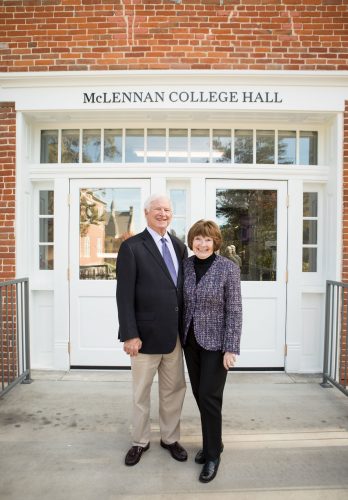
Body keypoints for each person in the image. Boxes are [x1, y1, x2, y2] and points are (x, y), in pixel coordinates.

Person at [116, 193, 188, 467]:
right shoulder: (132, 247)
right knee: (141, 393)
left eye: (168, 209)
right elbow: (124, 295)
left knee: (174, 390)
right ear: (146, 213)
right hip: (143, 337)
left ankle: (170, 438)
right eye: (157, 209)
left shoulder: (179, 246)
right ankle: (139, 441)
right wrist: (130, 333)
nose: (163, 213)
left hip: (174, 337)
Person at [182, 220, 242, 483]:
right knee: (199, 393)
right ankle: (212, 443)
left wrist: (231, 347)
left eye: (207, 240)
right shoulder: (185, 266)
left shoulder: (228, 268)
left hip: (216, 345)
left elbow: (235, 310)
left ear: (215, 242)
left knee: (209, 395)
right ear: (191, 241)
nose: (202, 244)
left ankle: (213, 455)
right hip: (190, 341)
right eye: (198, 239)